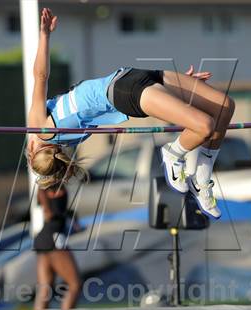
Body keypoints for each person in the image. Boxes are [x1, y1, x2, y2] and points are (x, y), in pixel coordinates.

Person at [27, 8, 235, 219]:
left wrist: (174, 92)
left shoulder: (67, 137)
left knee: (224, 106)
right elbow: (41, 76)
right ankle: (173, 154)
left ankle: (201, 177)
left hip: (129, 79)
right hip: (127, 91)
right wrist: (44, 35)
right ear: (33, 150)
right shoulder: (41, 128)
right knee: (205, 126)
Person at [33, 186, 81, 310]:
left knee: (45, 289)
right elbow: (42, 190)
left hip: (44, 239)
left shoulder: (57, 181)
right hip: (53, 238)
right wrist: (47, 209)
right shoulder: (51, 180)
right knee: (74, 284)